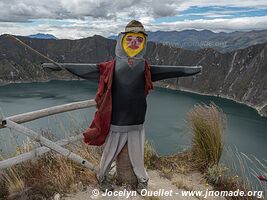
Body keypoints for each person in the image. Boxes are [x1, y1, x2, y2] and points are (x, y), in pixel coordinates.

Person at [43, 20, 202, 193]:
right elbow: (86, 69)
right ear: (122, 40)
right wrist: (61, 66)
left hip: (137, 121)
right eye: (130, 39)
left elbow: (168, 70)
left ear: (144, 43)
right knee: (109, 154)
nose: (134, 43)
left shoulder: (145, 67)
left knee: (137, 156)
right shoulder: (110, 67)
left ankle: (142, 181)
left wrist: (189, 70)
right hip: (117, 121)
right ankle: (102, 178)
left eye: (139, 40)